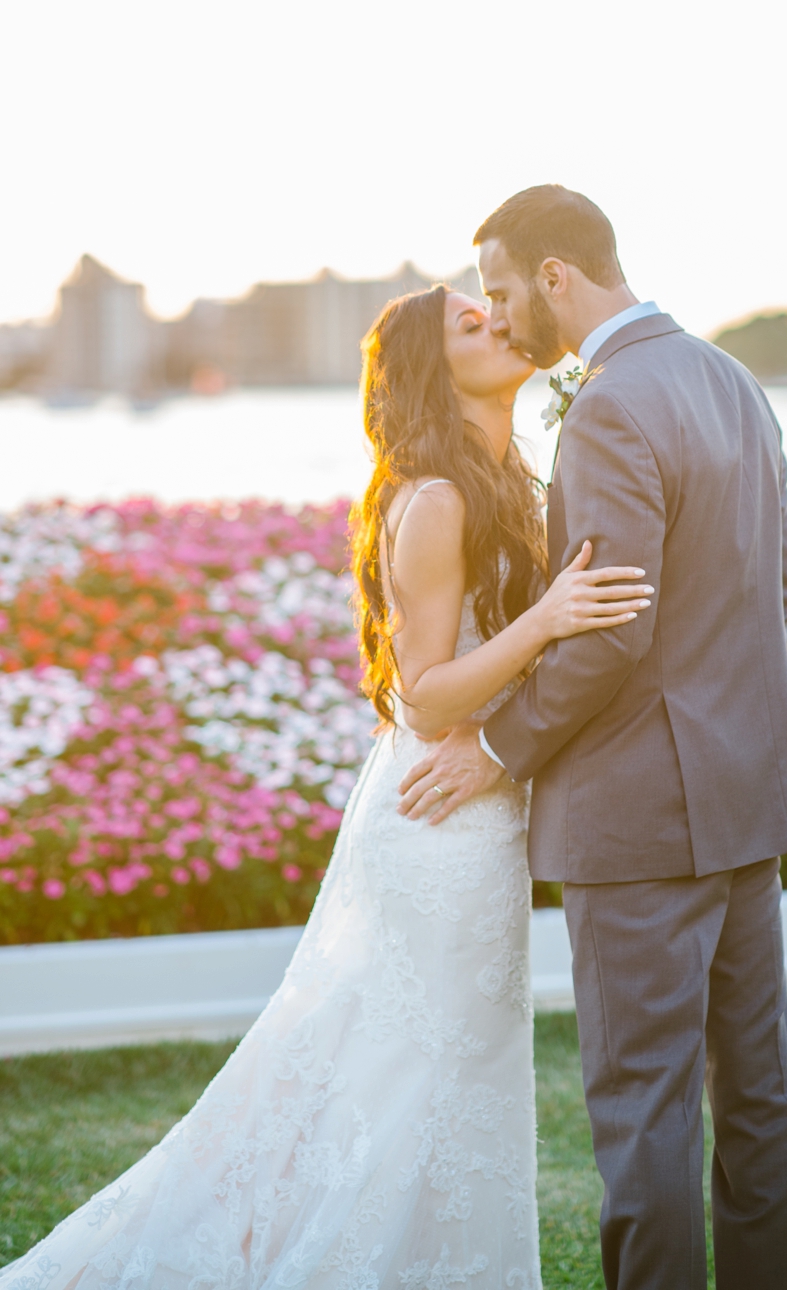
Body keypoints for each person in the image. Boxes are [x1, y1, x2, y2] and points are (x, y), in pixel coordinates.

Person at [0, 284, 651, 1289]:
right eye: (469, 323)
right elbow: (428, 699)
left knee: (441, 1083)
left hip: (474, 817)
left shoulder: (505, 478)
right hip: (440, 818)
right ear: (437, 369)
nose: (497, 322)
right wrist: (549, 617)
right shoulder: (434, 498)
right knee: (412, 1087)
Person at [399, 185, 787, 1290]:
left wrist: (495, 751)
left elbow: (608, 632)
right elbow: (780, 591)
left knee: (645, 1112)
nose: (498, 314)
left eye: (499, 289)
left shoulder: (615, 406)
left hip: (639, 823)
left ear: (554, 277)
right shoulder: (734, 382)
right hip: (747, 799)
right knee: (762, 1095)